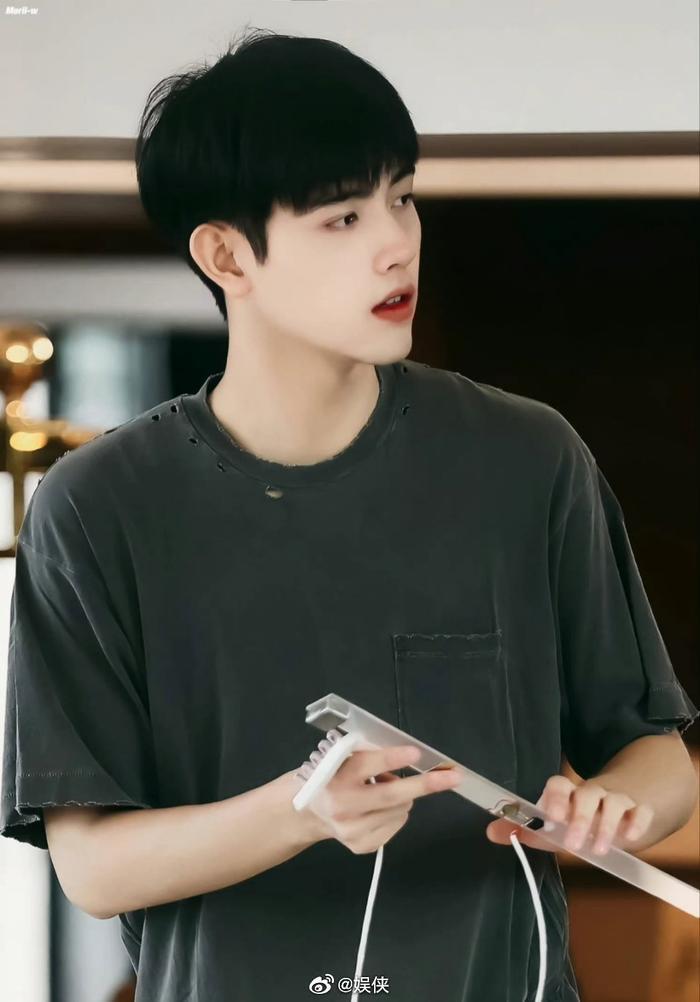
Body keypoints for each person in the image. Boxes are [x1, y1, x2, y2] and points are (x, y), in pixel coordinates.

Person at [1, 25, 698, 1002]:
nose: (395, 243)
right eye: (342, 217)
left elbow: (659, 756)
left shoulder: (525, 458)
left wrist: (620, 806)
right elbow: (92, 868)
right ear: (227, 255)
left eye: (401, 197)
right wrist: (301, 810)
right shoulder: (99, 506)